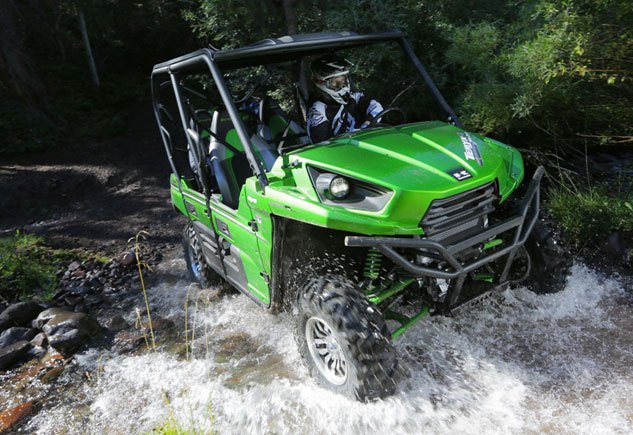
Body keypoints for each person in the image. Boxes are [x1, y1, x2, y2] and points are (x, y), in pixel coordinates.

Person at [307, 54, 384, 144]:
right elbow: (322, 147)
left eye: (344, 80)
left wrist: (367, 124)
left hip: (367, 142)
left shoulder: (352, 97)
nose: (343, 86)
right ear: (321, 82)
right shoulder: (317, 111)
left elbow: (376, 107)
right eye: (336, 83)